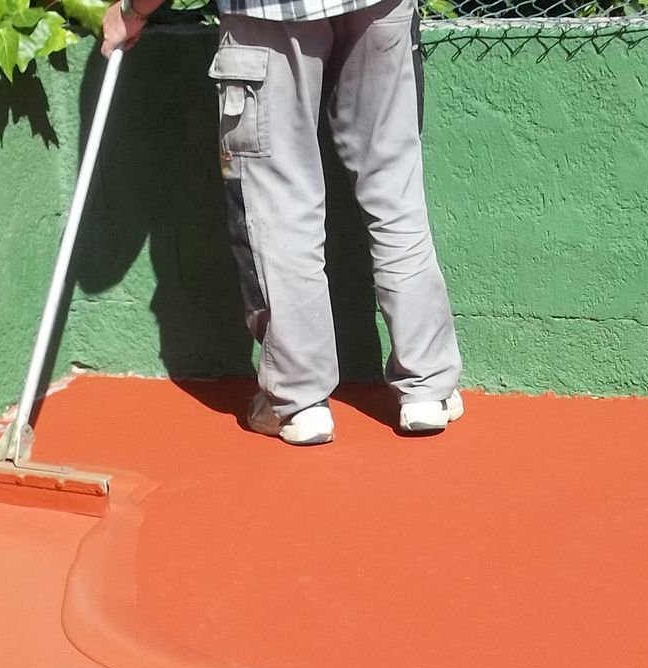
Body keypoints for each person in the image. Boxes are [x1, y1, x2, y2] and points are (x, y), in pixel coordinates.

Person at [103, 0, 464, 446]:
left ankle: (298, 401)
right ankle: (427, 388)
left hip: (267, 14)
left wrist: (134, 11)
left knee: (280, 201)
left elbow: (102, 272)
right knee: (394, 187)